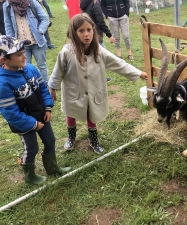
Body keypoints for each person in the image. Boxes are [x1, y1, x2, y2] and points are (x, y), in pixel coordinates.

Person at [48, 14, 147, 154]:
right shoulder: (66, 52)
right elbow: (57, 72)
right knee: (71, 113)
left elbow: (118, 63)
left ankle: (93, 140)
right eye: (81, 31)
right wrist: (52, 88)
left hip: (93, 91)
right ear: (74, 33)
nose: (86, 34)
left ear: (93, 30)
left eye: (89, 30)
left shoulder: (98, 51)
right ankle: (71, 137)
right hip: (73, 92)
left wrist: (138, 73)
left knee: (92, 113)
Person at [0, 35, 71, 185]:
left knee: (50, 140)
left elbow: (43, 89)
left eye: (23, 52)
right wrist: (32, 124)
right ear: (4, 60)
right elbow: (10, 113)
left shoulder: (31, 68)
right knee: (31, 148)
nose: (24, 56)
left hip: (40, 115)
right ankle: (30, 175)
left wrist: (47, 108)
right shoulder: (3, 83)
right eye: (18, 55)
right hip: (23, 123)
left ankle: (52, 167)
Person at [3, 0, 50, 83]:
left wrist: (40, 31)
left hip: (37, 42)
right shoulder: (7, 5)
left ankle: (44, 85)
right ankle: (30, 86)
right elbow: (8, 25)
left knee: (41, 66)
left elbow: (45, 18)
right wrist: (12, 43)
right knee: (24, 67)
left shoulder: (32, 2)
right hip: (21, 46)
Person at [80, 0, 115, 82]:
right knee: (102, 57)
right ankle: (100, 78)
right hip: (95, 34)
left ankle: (91, 77)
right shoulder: (95, 3)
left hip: (86, 34)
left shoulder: (84, 3)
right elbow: (100, 21)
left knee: (91, 57)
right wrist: (109, 34)